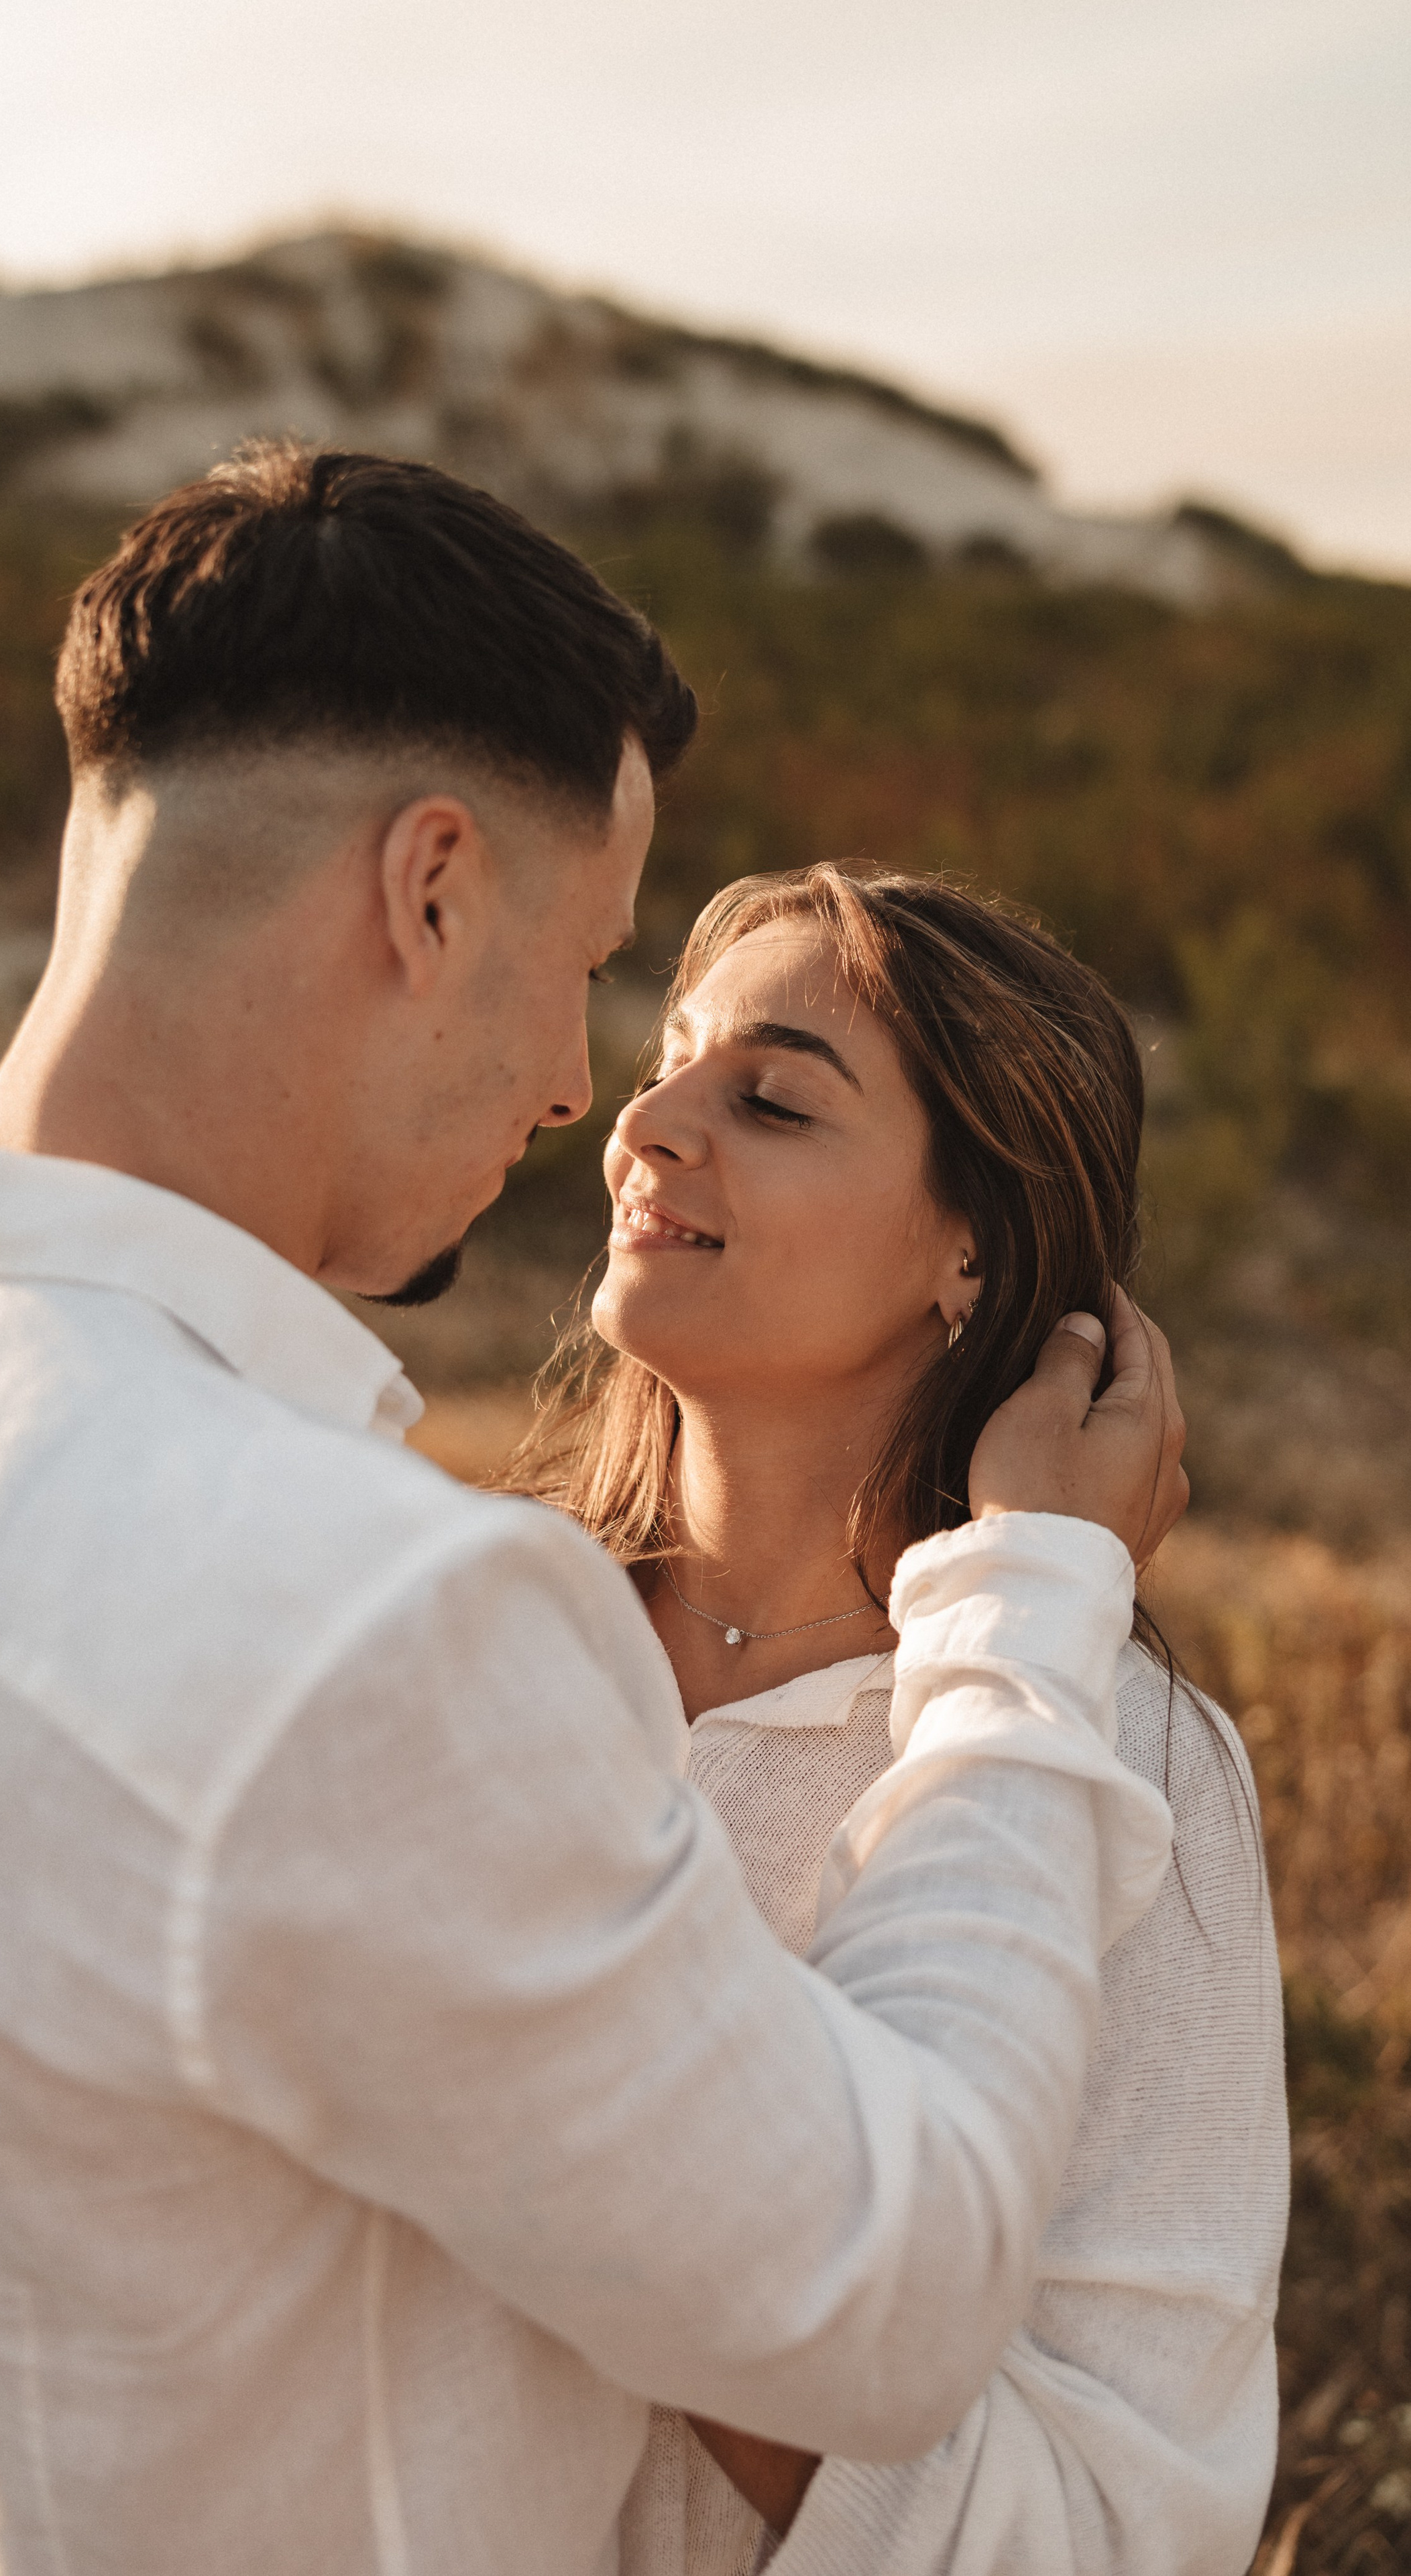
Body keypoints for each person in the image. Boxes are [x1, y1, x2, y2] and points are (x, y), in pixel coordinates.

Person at [0, 447, 1184, 2576]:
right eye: (589, 967)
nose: (588, 1094)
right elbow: (899, 2294)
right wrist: (1037, 1600)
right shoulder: (359, 1621)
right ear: (429, 889)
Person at [500, 864, 1287, 2575]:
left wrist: (569, 2162)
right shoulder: (458, 1642)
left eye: (768, 1097)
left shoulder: (1116, 1756)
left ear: (973, 1250)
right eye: (668, 1058)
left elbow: (1116, 2521)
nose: (641, 1122)